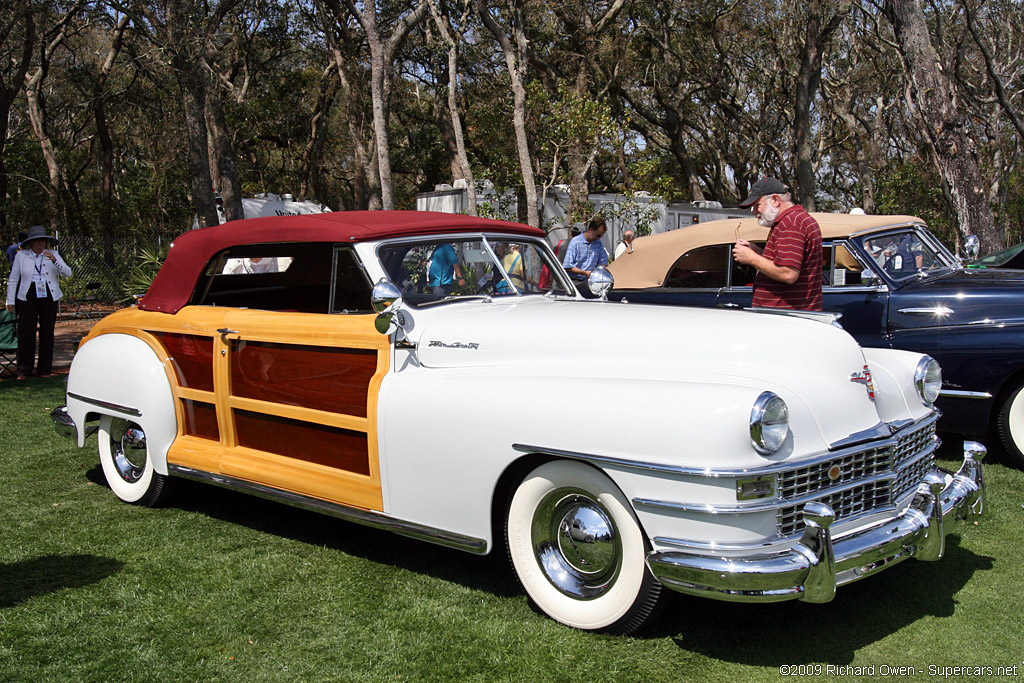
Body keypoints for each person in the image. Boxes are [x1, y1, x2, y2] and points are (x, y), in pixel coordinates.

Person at [732, 177, 822, 311]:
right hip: (790, 314)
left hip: (785, 317)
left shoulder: (790, 223)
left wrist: (751, 258)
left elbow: (788, 273)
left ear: (775, 200)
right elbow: (785, 263)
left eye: (757, 206)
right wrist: (758, 252)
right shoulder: (795, 219)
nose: (754, 212)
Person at [5, 225, 72, 378]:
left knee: (47, 332)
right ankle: (24, 370)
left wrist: (55, 261)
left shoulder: (53, 254)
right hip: (28, 294)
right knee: (26, 333)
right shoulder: (22, 256)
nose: (39, 244)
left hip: (49, 294)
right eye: (36, 241)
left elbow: (68, 273)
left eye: (42, 240)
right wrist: (10, 301)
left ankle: (44, 370)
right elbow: (14, 278)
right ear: (31, 242)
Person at [563, 216, 609, 298]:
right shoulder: (575, 242)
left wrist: (597, 272)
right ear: (591, 230)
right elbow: (568, 266)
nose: (599, 238)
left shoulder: (598, 243)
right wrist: (585, 273)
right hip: (574, 283)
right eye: (598, 235)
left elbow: (604, 262)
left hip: (590, 283)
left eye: (600, 236)